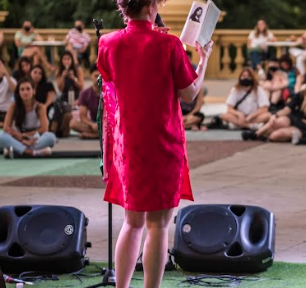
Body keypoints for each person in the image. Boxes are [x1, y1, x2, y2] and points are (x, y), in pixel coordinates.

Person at [97, 0, 212, 286]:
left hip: (129, 143)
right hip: (162, 142)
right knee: (158, 225)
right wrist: (203, 59)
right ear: (150, 6)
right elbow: (189, 93)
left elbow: (112, 89)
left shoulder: (107, 43)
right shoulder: (169, 45)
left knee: (132, 222)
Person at [251, 70, 306, 144]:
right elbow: (288, 109)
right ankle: (256, 134)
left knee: (276, 135)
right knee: (277, 122)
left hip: (303, 127)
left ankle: (269, 136)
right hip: (293, 118)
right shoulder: (303, 93)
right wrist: (275, 115)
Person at [0, 78, 55, 157]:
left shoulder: (40, 107)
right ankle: (31, 152)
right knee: (0, 137)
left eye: (28, 89)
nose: (25, 92)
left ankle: (17, 150)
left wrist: (24, 136)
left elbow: (44, 129)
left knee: (51, 137)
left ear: (33, 91)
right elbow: (6, 128)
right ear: (19, 92)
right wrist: (20, 138)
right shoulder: (13, 106)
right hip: (18, 138)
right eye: (22, 90)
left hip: (34, 138)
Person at [71, 65, 101, 139]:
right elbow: (82, 116)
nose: (98, 79)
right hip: (93, 123)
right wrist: (92, 124)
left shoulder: (108, 91)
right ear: (91, 76)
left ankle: (94, 135)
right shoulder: (85, 93)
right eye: (96, 76)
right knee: (73, 124)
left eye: (100, 76)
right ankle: (99, 135)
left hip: (106, 124)